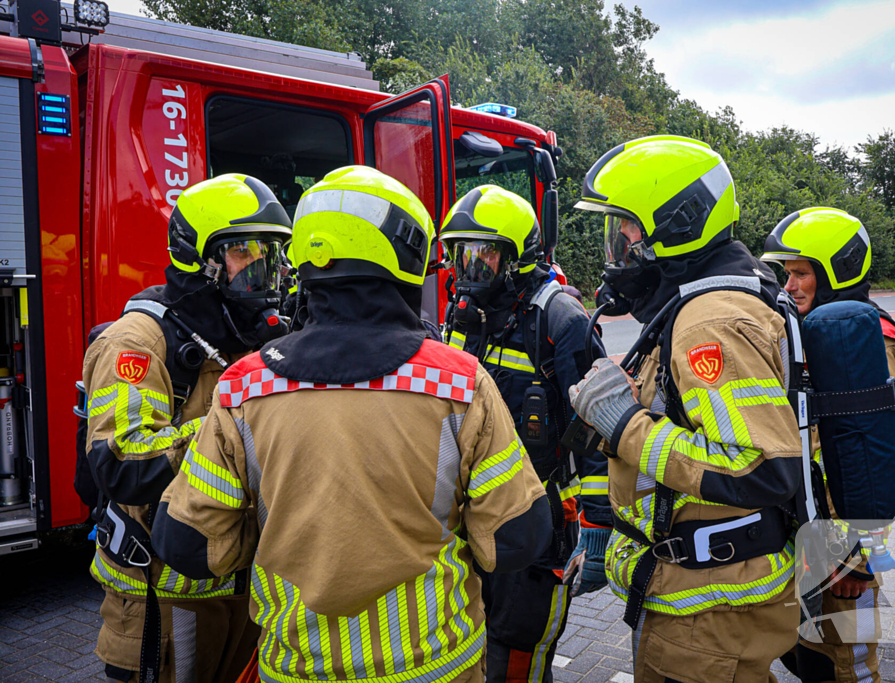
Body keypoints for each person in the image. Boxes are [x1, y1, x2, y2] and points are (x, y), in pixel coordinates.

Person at [150, 166, 552, 682]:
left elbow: (190, 545)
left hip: (297, 669)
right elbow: (518, 537)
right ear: (405, 258)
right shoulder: (459, 382)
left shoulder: (242, 388)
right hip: (433, 668)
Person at [569, 135, 804, 682]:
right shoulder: (703, 302)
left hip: (706, 614)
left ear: (672, 227)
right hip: (703, 601)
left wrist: (626, 426)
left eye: (625, 229)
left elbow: (761, 464)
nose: (617, 248)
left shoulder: (709, 322)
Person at [82, 174, 292, 682]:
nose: (268, 268)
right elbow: (124, 462)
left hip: (243, 590)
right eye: (246, 250)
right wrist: (229, 429)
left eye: (275, 251)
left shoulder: (252, 334)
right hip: (159, 596)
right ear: (199, 257)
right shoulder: (138, 342)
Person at [438, 185, 612, 682]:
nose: (468, 269)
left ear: (518, 258)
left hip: (540, 512)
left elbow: (598, 426)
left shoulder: (559, 319)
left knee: (518, 652)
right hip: (472, 512)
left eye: (483, 255)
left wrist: (597, 525)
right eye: (461, 254)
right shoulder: (463, 317)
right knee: (472, 639)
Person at [762, 206, 895, 683]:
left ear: (836, 271)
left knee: (843, 666)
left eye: (801, 273)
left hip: (844, 551)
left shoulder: (867, 345)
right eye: (786, 274)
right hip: (811, 539)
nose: (789, 286)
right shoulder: (817, 336)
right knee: (807, 655)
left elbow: (877, 462)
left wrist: (859, 560)